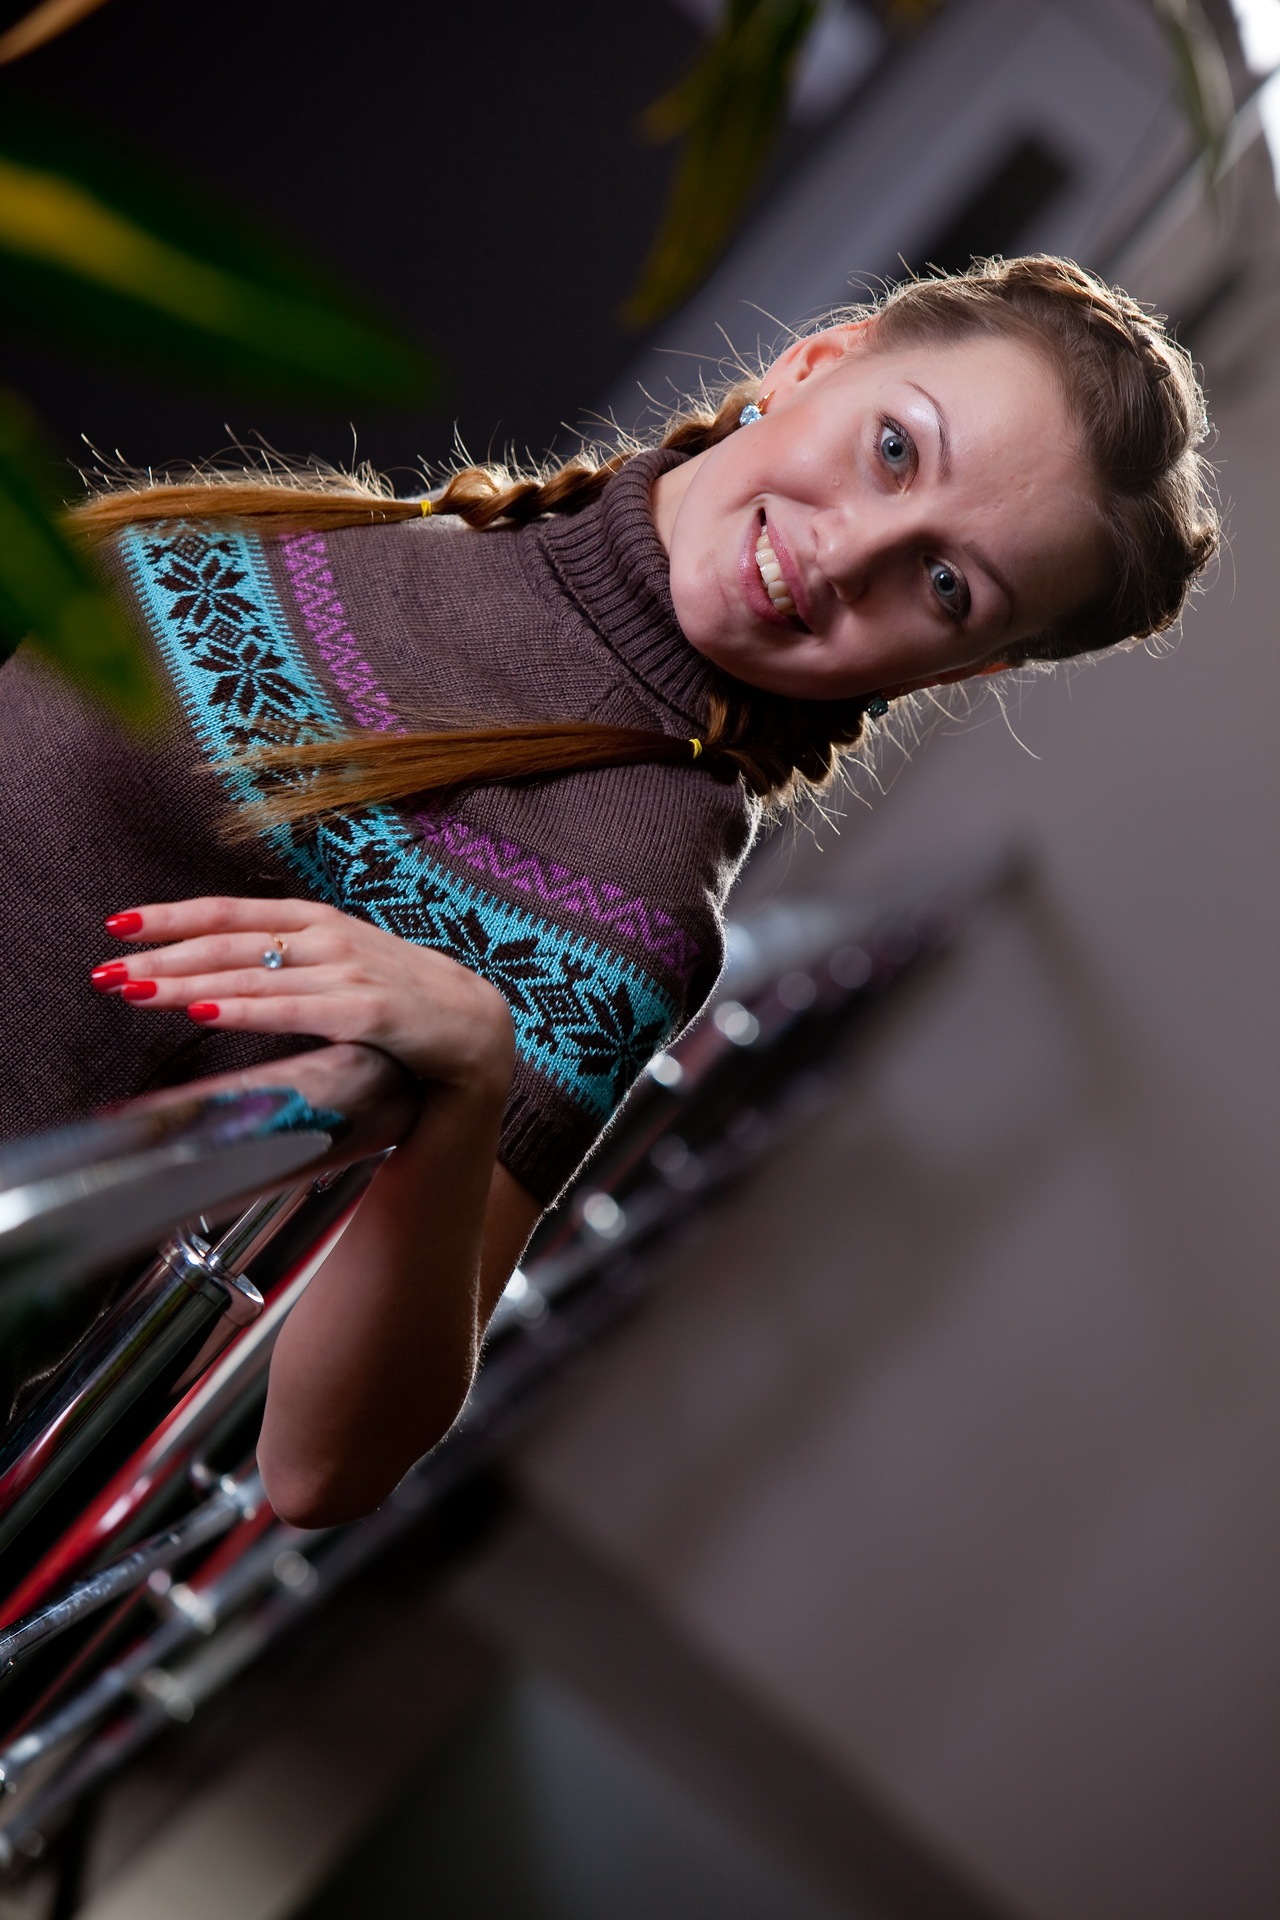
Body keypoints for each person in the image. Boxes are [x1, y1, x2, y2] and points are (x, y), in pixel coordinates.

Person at [0, 255, 1217, 1526]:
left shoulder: (626, 909)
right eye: (894, 451)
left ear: (961, 667)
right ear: (818, 361)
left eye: (946, 585)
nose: (848, 552)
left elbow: (319, 1467)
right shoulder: (381, 532)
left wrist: (469, 1083)